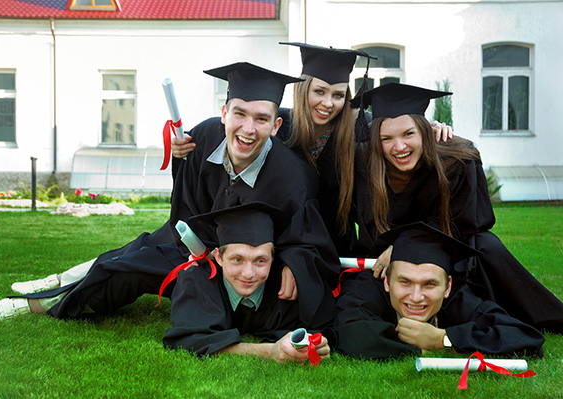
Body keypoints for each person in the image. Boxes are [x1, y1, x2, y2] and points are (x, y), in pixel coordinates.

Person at [0, 62, 340, 328]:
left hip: (231, 267)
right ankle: (55, 281)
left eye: (261, 119)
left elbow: (308, 239)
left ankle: (30, 306)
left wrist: (294, 261)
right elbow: (186, 199)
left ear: (276, 125)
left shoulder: (294, 178)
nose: (247, 128)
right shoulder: (206, 135)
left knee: (125, 269)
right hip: (192, 241)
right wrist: (183, 160)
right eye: (239, 114)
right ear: (224, 111)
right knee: (134, 250)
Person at [172, 42, 453, 255]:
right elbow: (239, 125)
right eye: (319, 91)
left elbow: (397, 135)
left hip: (335, 244)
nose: (328, 103)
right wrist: (182, 146)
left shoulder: (361, 131)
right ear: (303, 88)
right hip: (280, 240)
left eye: (338, 95)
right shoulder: (278, 123)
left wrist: (429, 129)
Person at [350, 82, 563, 334]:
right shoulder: (363, 164)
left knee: (485, 244)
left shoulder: (457, 161)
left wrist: (402, 246)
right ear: (377, 140)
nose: (399, 147)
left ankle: (539, 316)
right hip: (386, 268)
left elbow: (468, 222)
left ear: (425, 132)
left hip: (449, 254)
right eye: (387, 138)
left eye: (408, 134)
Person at [331, 222, 545, 359]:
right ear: (386, 282)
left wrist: (443, 339)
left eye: (429, 284)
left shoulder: (459, 301)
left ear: (448, 286)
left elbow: (527, 339)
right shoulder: (366, 290)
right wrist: (413, 346)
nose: (416, 297)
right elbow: (349, 332)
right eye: (404, 282)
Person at [163, 202, 331, 363]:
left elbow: (322, 325)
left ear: (273, 259)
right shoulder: (197, 281)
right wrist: (270, 351)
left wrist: (317, 345)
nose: (248, 274)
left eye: (260, 261)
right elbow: (189, 342)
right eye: (237, 259)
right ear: (219, 258)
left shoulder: (290, 286)